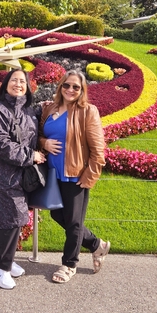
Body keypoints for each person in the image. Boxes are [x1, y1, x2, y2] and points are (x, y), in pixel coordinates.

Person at [38, 69, 110, 283]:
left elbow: (98, 149)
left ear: (82, 90)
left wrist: (89, 176)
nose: (70, 90)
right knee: (58, 216)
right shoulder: (50, 108)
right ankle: (97, 245)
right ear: (60, 86)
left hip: (74, 174)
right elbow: (40, 135)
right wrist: (44, 143)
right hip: (52, 173)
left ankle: (69, 265)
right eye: (67, 85)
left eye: (76, 87)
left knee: (74, 222)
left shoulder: (88, 111)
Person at [0, 69, 46, 290]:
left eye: (22, 81)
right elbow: (0, 144)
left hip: (20, 174)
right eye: (14, 81)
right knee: (11, 219)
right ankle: (0, 266)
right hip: (3, 174)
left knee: (17, 219)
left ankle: (4, 259)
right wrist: (31, 156)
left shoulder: (28, 111)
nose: (18, 84)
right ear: (5, 84)